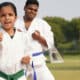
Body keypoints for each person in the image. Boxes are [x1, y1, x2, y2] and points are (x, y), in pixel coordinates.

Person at [15, 0, 55, 80]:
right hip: (19, 63)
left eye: (35, 10)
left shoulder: (42, 24)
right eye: (30, 9)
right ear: (24, 8)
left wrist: (39, 38)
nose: (32, 11)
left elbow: (50, 44)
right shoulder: (15, 23)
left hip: (38, 63)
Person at [0, 2, 30, 80]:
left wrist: (27, 58)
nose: (7, 18)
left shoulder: (23, 36)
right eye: (3, 15)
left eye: (10, 14)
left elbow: (28, 53)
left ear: (15, 17)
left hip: (19, 76)